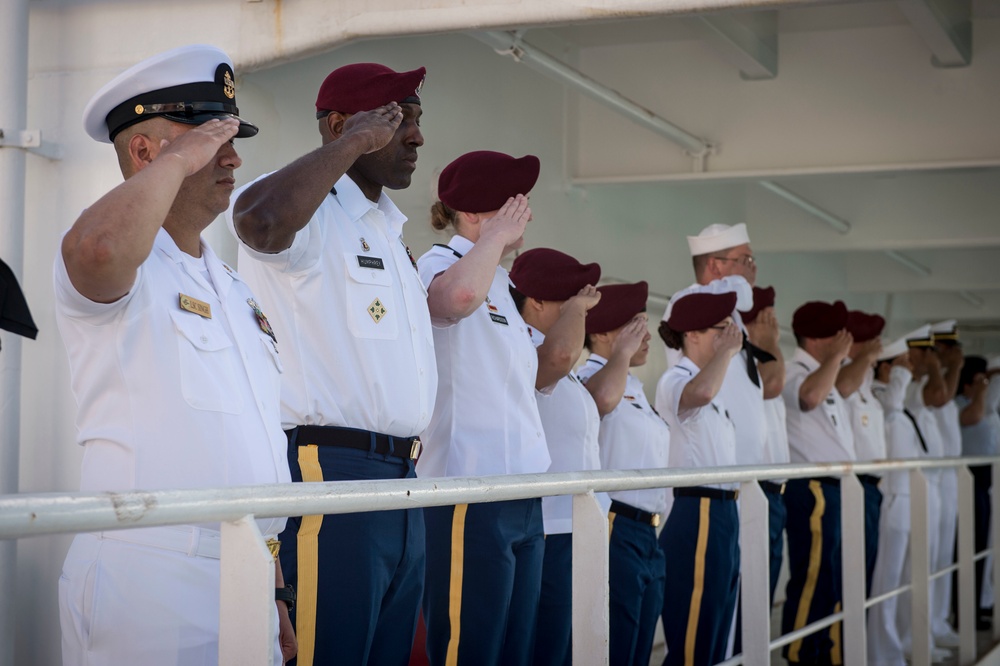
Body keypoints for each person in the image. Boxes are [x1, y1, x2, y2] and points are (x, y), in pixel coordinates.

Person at [57, 44, 294, 666]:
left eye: (232, 137)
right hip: (152, 578)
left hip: (246, 572)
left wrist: (273, 587)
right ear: (144, 152)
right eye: (213, 138)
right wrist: (182, 156)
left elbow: (248, 443)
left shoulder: (233, 289)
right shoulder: (123, 267)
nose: (233, 156)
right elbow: (99, 250)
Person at [227, 62, 432, 666]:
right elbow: (259, 222)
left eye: (416, 120)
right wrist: (353, 146)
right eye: (397, 119)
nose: (416, 136)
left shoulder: (389, 230)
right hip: (330, 468)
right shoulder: (306, 209)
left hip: (404, 476)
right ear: (341, 125)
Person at [417, 151, 570, 666]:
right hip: (469, 488)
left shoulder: (502, 283)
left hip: (520, 489)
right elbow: (458, 297)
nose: (524, 213)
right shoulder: (439, 264)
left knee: (514, 647)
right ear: (473, 213)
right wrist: (496, 237)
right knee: (471, 646)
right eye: (511, 204)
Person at [506, 248, 604, 666]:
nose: (578, 311)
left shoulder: (551, 354)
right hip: (549, 527)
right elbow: (559, 357)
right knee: (544, 646)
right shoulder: (529, 349)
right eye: (569, 300)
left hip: (571, 525)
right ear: (537, 301)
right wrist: (579, 310)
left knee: (567, 645)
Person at [577, 281, 669, 666]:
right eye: (634, 325)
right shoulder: (589, 378)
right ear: (599, 334)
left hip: (648, 533)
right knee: (617, 646)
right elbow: (600, 400)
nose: (645, 335)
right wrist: (622, 354)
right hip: (616, 526)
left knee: (639, 649)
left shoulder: (633, 385)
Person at [656, 289, 743, 665]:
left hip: (723, 512)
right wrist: (727, 352)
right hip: (698, 512)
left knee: (716, 628)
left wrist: (723, 352)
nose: (731, 335)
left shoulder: (714, 386)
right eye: (721, 329)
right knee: (694, 634)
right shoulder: (674, 379)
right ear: (692, 334)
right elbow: (701, 392)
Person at [781, 300, 855, 665]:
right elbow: (809, 397)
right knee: (813, 575)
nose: (843, 340)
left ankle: (823, 651)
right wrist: (838, 357)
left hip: (833, 488)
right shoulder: (794, 371)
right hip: (812, 488)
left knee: (831, 577)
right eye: (835, 335)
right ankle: (800, 654)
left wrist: (837, 359)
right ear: (814, 339)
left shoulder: (825, 371)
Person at [867, 329, 924, 666]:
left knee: (899, 582)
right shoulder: (881, 399)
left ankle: (892, 650)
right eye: (903, 364)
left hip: (904, 497)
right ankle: (882, 656)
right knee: (884, 586)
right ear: (887, 368)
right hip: (890, 499)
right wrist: (898, 383)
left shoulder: (893, 403)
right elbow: (890, 413)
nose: (910, 370)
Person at [740, 285, 790, 605]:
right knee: (751, 592)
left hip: (775, 494)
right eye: (767, 318)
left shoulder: (766, 361)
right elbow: (771, 384)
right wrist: (770, 343)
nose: (774, 325)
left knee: (766, 588)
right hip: (755, 491)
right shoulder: (741, 364)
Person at [839, 310, 886, 597]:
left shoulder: (866, 379)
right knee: (850, 569)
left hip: (872, 488)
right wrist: (865, 358)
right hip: (855, 485)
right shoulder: (846, 371)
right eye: (872, 342)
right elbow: (843, 386)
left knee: (867, 565)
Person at [956, 354, 1000, 625]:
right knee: (969, 547)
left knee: (983, 546)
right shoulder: (961, 405)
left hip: (985, 480)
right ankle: (966, 610)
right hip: (968, 478)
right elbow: (973, 416)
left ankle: (980, 603)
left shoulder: (988, 408)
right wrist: (984, 390)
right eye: (980, 381)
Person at [929, 320, 964, 646]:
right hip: (930, 480)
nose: (956, 354)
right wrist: (953, 368)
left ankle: (938, 622)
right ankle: (925, 627)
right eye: (948, 349)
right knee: (927, 561)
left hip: (948, 478)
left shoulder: (942, 380)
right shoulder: (931, 383)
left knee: (942, 558)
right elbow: (940, 396)